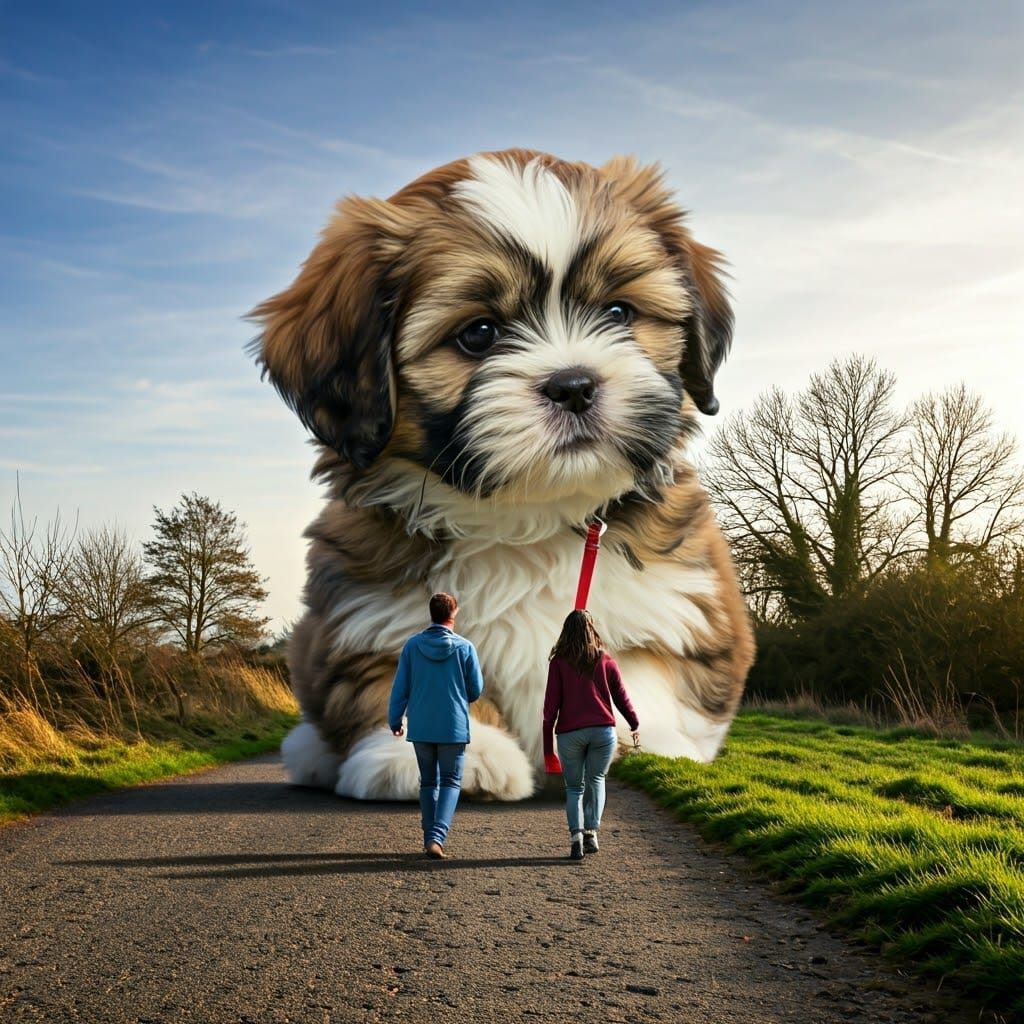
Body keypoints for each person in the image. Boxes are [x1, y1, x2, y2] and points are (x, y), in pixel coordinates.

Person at [388, 592, 484, 859]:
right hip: (453, 725)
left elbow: (400, 688)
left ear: (431, 613)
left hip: (421, 725)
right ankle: (436, 838)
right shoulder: (466, 648)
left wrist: (395, 720)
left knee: (428, 782)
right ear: (454, 613)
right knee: (451, 781)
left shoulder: (412, 646)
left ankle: (429, 837)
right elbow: (475, 690)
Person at [542, 610, 640, 861]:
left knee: (574, 787)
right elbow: (621, 698)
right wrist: (633, 722)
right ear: (591, 630)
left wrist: (547, 747)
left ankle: (576, 837)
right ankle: (592, 833)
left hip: (570, 734)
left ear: (566, 631)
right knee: (596, 779)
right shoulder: (605, 660)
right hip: (602, 732)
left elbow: (550, 708)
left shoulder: (559, 663)